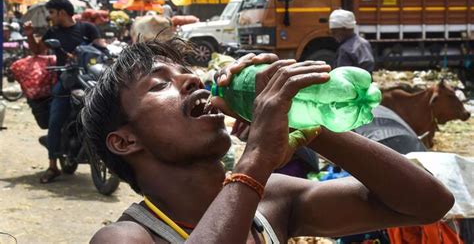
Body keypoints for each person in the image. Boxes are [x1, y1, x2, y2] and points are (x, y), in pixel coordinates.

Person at [82, 39, 454, 243]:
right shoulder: (125, 238)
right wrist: (256, 158)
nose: (193, 81)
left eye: (188, 73)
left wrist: (304, 118)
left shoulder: (271, 202)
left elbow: (428, 203)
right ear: (125, 141)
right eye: (160, 84)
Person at [23, 0, 106, 183]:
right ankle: (53, 166)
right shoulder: (53, 32)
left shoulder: (87, 28)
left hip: (91, 78)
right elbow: (38, 51)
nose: (49, 16)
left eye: (51, 12)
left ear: (62, 12)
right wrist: (29, 34)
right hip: (67, 80)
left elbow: (102, 49)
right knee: (55, 120)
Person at [329, 9, 375, 73]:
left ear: (344, 29)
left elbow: (341, 75)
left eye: (334, 32)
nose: (332, 35)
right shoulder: (365, 43)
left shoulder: (345, 49)